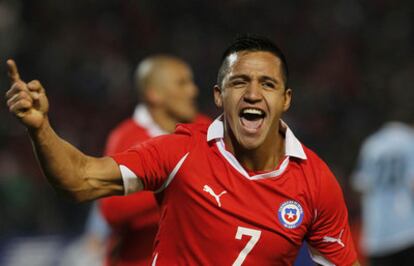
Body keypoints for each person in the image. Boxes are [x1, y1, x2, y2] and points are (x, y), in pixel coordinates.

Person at [5, 35, 359, 265]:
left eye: (267, 84)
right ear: (220, 96)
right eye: (239, 82)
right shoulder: (181, 152)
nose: (253, 94)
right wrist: (40, 129)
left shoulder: (315, 182)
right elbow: (79, 180)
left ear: (285, 99)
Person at [98, 55, 210, 266]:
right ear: (154, 94)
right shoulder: (126, 138)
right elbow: (112, 209)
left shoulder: (205, 128)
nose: (193, 91)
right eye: (182, 83)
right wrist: (176, 180)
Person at [352, 119, 414, 265]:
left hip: (376, 234)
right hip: (407, 229)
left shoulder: (371, 144)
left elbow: (360, 184)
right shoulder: (409, 139)